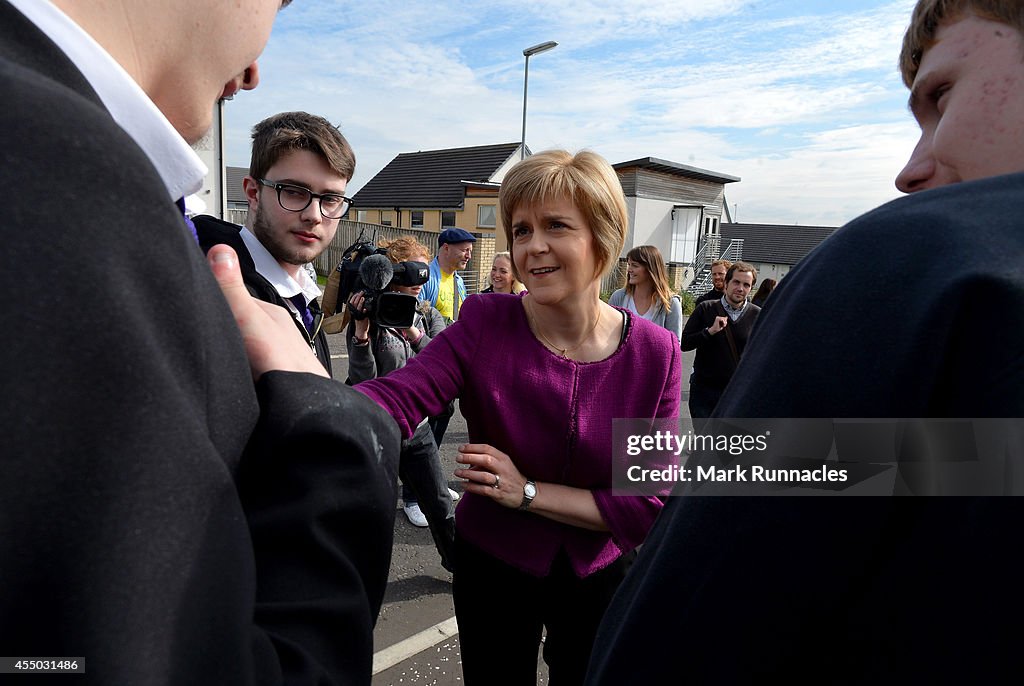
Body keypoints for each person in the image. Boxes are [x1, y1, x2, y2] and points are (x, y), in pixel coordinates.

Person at [585, 2, 1024, 683]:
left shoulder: (906, 263)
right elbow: (946, 463)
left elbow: (681, 618)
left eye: (942, 94)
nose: (909, 170)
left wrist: (626, 468)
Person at [0, 1, 399, 683]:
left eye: (332, 200)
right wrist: (341, 433)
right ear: (252, 191)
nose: (251, 71)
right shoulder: (74, 186)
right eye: (278, 3)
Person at [355, 150, 681, 685]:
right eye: (522, 229)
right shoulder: (487, 322)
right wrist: (294, 407)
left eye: (556, 226)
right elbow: (398, 397)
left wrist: (526, 491)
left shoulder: (656, 354)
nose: (533, 247)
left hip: (599, 571)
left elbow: (643, 504)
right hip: (495, 563)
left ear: (604, 236)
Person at [195, 111, 356, 373]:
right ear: (252, 193)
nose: (314, 215)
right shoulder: (214, 304)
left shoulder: (303, 297)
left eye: (330, 199)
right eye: (293, 192)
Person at [346, 236, 457, 569]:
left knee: (439, 503)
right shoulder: (373, 316)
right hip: (377, 429)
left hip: (417, 429)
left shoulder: (426, 315)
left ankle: (458, 566)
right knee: (366, 512)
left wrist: (412, 331)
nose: (419, 291)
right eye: (411, 286)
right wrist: (362, 336)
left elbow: (445, 363)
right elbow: (364, 381)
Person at [679, 261, 761, 419]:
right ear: (727, 282)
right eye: (736, 282)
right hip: (705, 391)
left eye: (746, 285)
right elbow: (685, 343)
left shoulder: (757, 315)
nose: (740, 288)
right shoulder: (705, 308)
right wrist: (709, 332)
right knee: (706, 440)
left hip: (737, 392)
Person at [608, 245, 682, 343]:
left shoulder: (670, 303)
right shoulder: (618, 297)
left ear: (650, 269)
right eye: (629, 264)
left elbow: (675, 344)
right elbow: (607, 334)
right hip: (623, 358)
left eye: (634, 265)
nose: (629, 269)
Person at [421, 227, 476, 323]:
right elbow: (418, 318)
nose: (468, 256)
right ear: (446, 248)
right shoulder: (426, 279)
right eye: (464, 250)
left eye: (470, 251)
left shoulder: (459, 281)